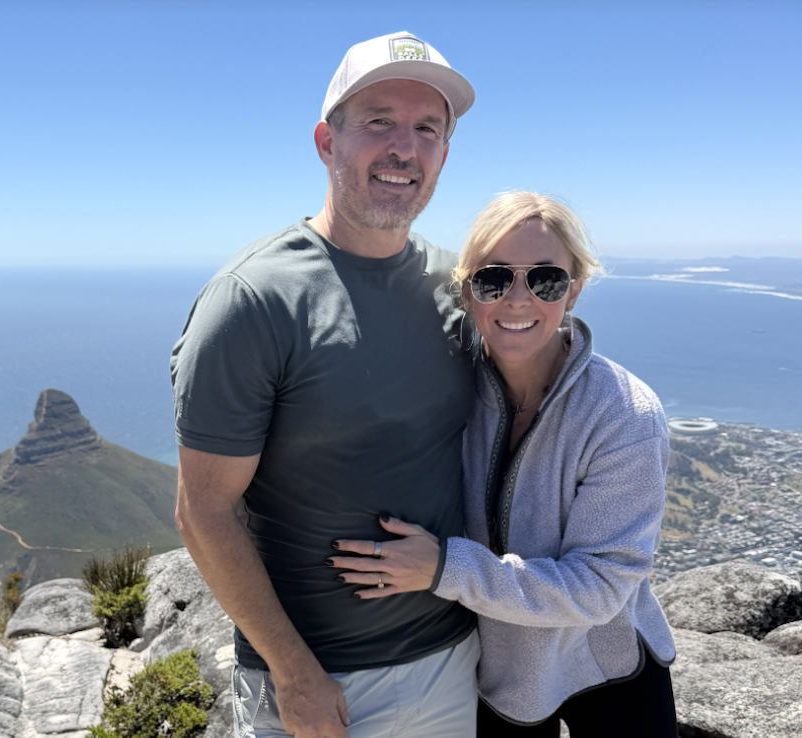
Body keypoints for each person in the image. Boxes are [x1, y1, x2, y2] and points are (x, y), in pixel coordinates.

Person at [171, 32, 481, 738]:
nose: (404, 147)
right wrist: (293, 673)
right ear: (325, 141)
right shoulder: (254, 298)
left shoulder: (457, 284)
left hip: (452, 661)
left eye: (427, 129)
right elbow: (203, 510)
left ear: (443, 155)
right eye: (379, 122)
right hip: (320, 685)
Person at [331, 191, 679, 737]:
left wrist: (446, 568)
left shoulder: (624, 413)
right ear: (468, 293)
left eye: (546, 280)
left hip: (608, 666)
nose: (518, 299)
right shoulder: (450, 392)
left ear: (575, 291)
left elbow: (600, 587)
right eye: (494, 279)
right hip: (502, 675)